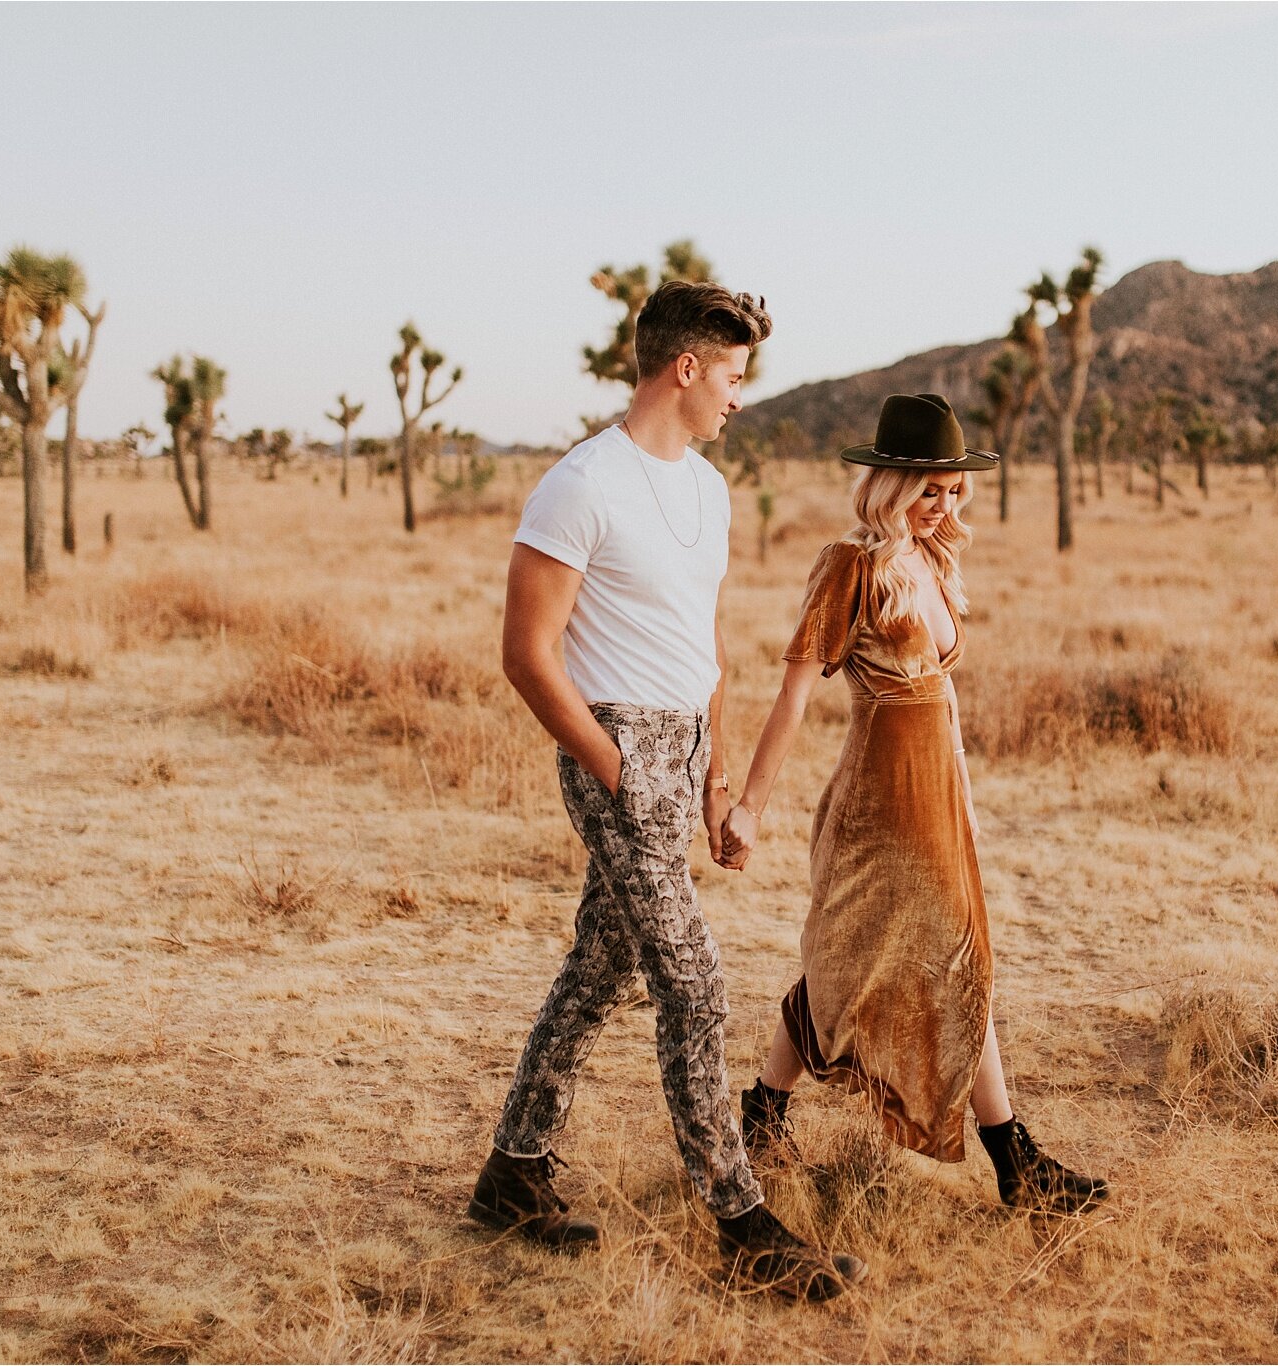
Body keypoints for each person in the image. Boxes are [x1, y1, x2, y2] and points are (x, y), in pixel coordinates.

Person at [470, 281, 864, 1301]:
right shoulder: (580, 484)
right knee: (691, 983)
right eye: (731, 374)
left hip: (681, 752)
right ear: (684, 368)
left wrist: (713, 776)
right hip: (615, 753)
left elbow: (703, 644)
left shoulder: (707, 489)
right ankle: (739, 1221)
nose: (739, 395)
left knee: (601, 964)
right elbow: (525, 652)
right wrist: (614, 769)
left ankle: (512, 1172)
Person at [719, 393, 1109, 1216]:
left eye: (954, 489)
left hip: (937, 791)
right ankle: (1017, 1163)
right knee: (912, 958)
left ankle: (763, 1111)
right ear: (890, 486)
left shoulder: (932, 563)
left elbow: (943, 698)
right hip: (879, 801)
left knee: (888, 956)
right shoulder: (849, 566)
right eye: (930, 489)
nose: (946, 504)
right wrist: (751, 805)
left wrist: (961, 792)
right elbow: (793, 695)